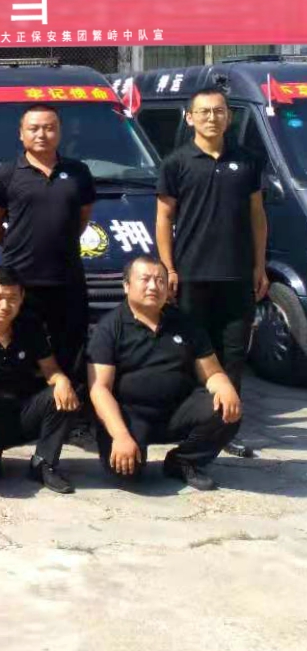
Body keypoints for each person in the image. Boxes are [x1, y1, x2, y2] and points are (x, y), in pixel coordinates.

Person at [156, 86, 268, 458]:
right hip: (192, 276)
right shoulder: (176, 163)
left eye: (219, 111)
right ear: (190, 118)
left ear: (229, 117)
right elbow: (164, 218)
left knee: (232, 356)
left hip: (237, 276)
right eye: (203, 111)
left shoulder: (247, 161)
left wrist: (259, 265)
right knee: (191, 352)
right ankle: (190, 424)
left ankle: (225, 428)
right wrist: (168, 268)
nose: (211, 118)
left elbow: (257, 216)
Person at [88, 256, 242, 491]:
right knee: (127, 474)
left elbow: (212, 373)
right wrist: (120, 435)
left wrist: (225, 387)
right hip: (131, 416)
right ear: (126, 286)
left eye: (160, 280)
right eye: (145, 279)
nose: (153, 286)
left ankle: (183, 461)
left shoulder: (185, 323)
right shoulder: (110, 327)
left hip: (177, 410)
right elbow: (99, 388)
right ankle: (129, 447)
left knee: (227, 409)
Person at [0, 104, 96, 382]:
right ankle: (28, 401)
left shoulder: (78, 172)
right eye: (33, 128)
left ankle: (72, 403)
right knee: (22, 345)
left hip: (66, 276)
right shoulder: (6, 174)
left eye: (49, 128)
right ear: (21, 133)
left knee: (71, 345)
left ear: (60, 132)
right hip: (21, 279)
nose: (41, 134)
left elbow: (82, 217)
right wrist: (17, 244)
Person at [0, 267, 78, 494]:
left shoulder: (30, 325)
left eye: (12, 298)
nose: (4, 306)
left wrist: (61, 380)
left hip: (22, 412)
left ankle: (44, 463)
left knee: (62, 394)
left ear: (21, 297)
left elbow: (51, 370)